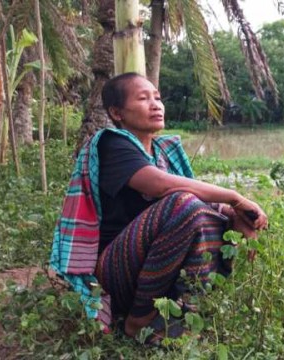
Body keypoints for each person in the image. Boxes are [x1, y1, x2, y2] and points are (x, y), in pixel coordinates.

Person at [49, 72, 268, 344]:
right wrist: (235, 196)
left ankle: (184, 310)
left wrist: (236, 214)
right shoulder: (112, 144)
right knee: (184, 204)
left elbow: (206, 204)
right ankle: (137, 320)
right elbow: (163, 187)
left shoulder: (162, 152)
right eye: (143, 98)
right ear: (117, 112)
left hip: (148, 266)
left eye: (158, 97)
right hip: (113, 273)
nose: (156, 104)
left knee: (216, 216)